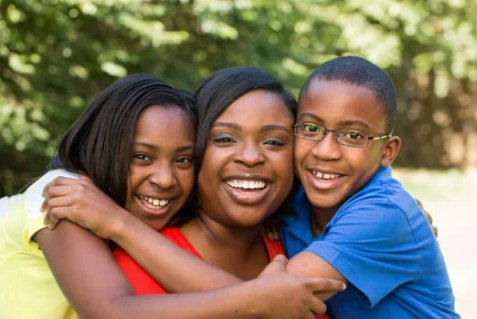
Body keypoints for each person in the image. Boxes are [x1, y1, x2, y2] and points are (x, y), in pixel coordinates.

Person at [43, 59, 452, 318]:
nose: (253, 158)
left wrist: (405, 219)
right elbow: (270, 301)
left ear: (388, 151)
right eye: (224, 139)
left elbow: (276, 299)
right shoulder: (294, 206)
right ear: (197, 150)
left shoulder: (359, 215)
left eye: (274, 142)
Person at [0, 73, 338, 319]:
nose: (165, 179)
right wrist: (259, 299)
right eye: (142, 157)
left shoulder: (281, 230)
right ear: (100, 147)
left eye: (183, 160)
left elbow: (224, 288)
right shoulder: (62, 195)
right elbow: (114, 312)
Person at [278, 56, 460, 318]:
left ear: (387, 151)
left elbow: (274, 299)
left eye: (353, 135)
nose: (325, 151)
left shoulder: (385, 214)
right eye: (310, 128)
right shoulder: (292, 200)